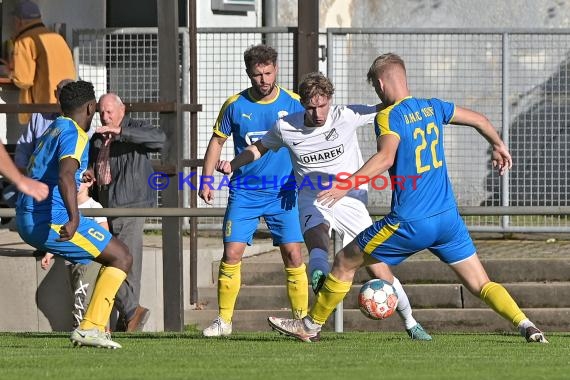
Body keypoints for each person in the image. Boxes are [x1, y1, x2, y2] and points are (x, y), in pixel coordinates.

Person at [266, 53, 549, 343]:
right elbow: (479, 119)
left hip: (410, 222)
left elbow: (385, 158)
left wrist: (346, 184)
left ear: (380, 83)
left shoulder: (389, 116)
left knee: (343, 261)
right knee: (480, 282)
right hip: (448, 220)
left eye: (376, 89)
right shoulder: (432, 107)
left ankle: (310, 325)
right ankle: (526, 325)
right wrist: (499, 145)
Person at [216, 72, 431, 340]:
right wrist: (232, 164)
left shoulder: (347, 115)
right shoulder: (286, 127)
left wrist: (415, 106)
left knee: (378, 268)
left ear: (330, 100)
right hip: (312, 198)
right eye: (310, 107)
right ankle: (319, 275)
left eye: (322, 105)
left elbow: (386, 106)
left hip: (349, 199)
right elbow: (258, 148)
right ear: (302, 104)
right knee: (317, 236)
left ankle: (411, 323)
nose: (317, 113)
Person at [198, 44, 308, 337]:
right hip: (244, 193)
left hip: (283, 192)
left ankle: (303, 323)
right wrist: (206, 180)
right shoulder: (235, 105)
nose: (263, 80)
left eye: (268, 73)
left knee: (294, 256)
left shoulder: (295, 103)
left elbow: (312, 138)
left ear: (276, 69)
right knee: (231, 253)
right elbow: (216, 143)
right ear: (248, 73)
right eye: (257, 74)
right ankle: (223, 322)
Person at [16, 80, 131, 349]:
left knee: (111, 257)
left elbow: (60, 172)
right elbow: (64, 175)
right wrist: (75, 217)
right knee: (122, 257)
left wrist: (82, 174)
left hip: (28, 215)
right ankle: (91, 328)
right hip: (48, 219)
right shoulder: (75, 134)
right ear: (90, 107)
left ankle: (92, 327)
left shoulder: (55, 127)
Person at [89, 93, 165, 332]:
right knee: (118, 262)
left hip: (130, 205)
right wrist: (90, 173)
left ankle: (131, 313)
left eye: (110, 111)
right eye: (102, 112)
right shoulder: (99, 137)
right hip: (106, 206)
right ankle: (130, 315)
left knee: (121, 263)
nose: (105, 116)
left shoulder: (135, 127)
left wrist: (122, 133)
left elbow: (160, 139)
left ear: (122, 111)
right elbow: (95, 165)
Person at [41, 177, 109, 329]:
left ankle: (82, 330)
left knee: (82, 297)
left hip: (89, 260)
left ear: (91, 182)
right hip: (70, 262)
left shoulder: (94, 206)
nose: (78, 184)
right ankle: (95, 329)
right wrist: (49, 253)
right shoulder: (65, 208)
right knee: (78, 295)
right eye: (74, 180)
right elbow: (59, 234)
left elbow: (105, 233)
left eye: (83, 180)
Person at [2, 79, 74, 211]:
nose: (64, 101)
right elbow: (23, 148)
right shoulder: (39, 117)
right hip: (36, 177)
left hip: (65, 181)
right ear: (55, 94)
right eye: (61, 95)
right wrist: (23, 175)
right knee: (9, 194)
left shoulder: (81, 122)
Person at [4, 0, 76, 125]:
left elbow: (23, 80)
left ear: (19, 21)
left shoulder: (24, 40)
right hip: (67, 105)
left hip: (43, 110)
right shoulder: (58, 38)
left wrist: (9, 72)